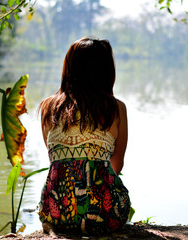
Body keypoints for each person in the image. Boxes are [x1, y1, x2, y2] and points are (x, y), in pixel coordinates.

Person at [38, 37, 130, 235]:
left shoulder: (48, 107)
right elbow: (117, 165)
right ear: (106, 71)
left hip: (55, 213)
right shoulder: (116, 109)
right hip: (105, 216)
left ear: (69, 68)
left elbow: (56, 162)